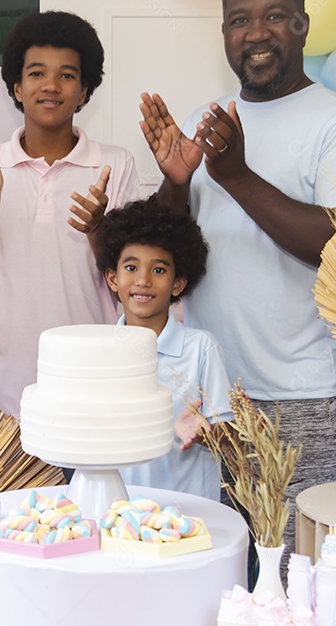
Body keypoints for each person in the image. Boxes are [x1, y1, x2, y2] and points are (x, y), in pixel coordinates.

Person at [139, 0, 336, 556]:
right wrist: (176, 184)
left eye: (273, 16)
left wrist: (237, 177)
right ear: (224, 34)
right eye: (239, 20)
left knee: (283, 564)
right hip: (202, 394)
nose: (255, 32)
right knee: (199, 560)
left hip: (293, 394)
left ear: (302, 26)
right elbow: (174, 252)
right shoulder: (213, 121)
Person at [0, 11, 140, 416]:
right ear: (17, 87)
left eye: (67, 75)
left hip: (92, 381)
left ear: (85, 90)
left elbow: (130, 282)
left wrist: (96, 229)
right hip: (0, 388)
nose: (51, 86)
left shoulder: (115, 164)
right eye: (37, 74)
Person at [95, 197, 233, 501]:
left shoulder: (201, 349)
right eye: (131, 267)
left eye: (158, 270)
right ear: (113, 279)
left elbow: (228, 437)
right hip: (119, 513)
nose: (143, 280)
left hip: (189, 516)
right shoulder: (99, 353)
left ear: (178, 283)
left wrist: (205, 433)